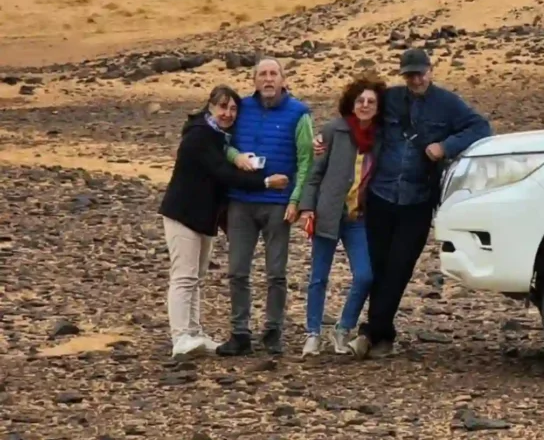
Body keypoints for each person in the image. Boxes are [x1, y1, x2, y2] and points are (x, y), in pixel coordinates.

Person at [316, 48, 492, 358]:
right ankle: (381, 335)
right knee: (378, 268)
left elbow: (481, 128)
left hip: (418, 200)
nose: (415, 79)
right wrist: (327, 137)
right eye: (410, 74)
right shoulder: (391, 99)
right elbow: (359, 114)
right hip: (381, 198)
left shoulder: (447, 104)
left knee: (399, 268)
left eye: (420, 72)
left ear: (430, 71)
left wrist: (446, 145)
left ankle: (372, 332)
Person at [157, 84, 289, 360]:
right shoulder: (200, 136)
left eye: (232, 109)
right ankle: (180, 336)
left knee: (196, 277)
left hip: (203, 216)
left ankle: (194, 332)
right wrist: (264, 181)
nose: (227, 113)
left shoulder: (219, 137)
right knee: (183, 276)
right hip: (183, 213)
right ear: (210, 107)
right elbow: (223, 173)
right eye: (222, 107)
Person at [215, 58, 315, 357]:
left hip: (278, 206)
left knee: (276, 273)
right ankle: (240, 332)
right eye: (262, 75)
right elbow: (222, 141)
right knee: (237, 271)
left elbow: (306, 161)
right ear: (254, 80)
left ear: (283, 80)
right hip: (241, 202)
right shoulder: (240, 108)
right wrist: (235, 157)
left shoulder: (300, 114)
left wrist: (296, 200)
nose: (268, 79)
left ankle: (273, 331)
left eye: (274, 74)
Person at [297, 74, 386, 356]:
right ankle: (312, 333)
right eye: (361, 100)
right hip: (328, 213)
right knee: (318, 277)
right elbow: (315, 174)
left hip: (358, 218)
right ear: (352, 102)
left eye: (371, 101)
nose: (365, 105)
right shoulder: (335, 131)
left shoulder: (381, 137)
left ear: (378, 106)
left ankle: (342, 329)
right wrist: (307, 207)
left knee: (364, 276)